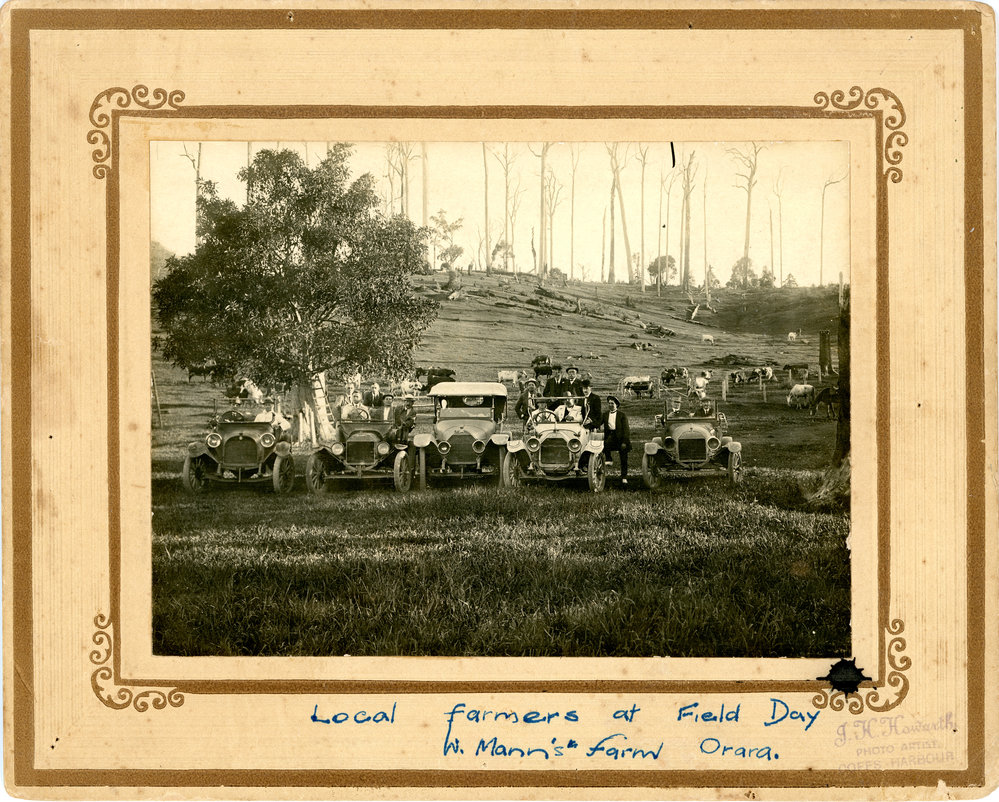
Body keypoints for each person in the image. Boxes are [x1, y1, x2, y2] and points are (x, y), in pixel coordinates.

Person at [600, 395, 632, 485]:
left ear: (616, 405)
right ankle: (609, 459)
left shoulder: (622, 415)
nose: (610, 405)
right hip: (610, 436)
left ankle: (624, 477)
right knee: (605, 443)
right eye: (609, 403)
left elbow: (626, 430)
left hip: (621, 437)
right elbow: (598, 423)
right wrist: (590, 424)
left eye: (612, 403)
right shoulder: (605, 414)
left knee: (624, 458)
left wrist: (624, 442)